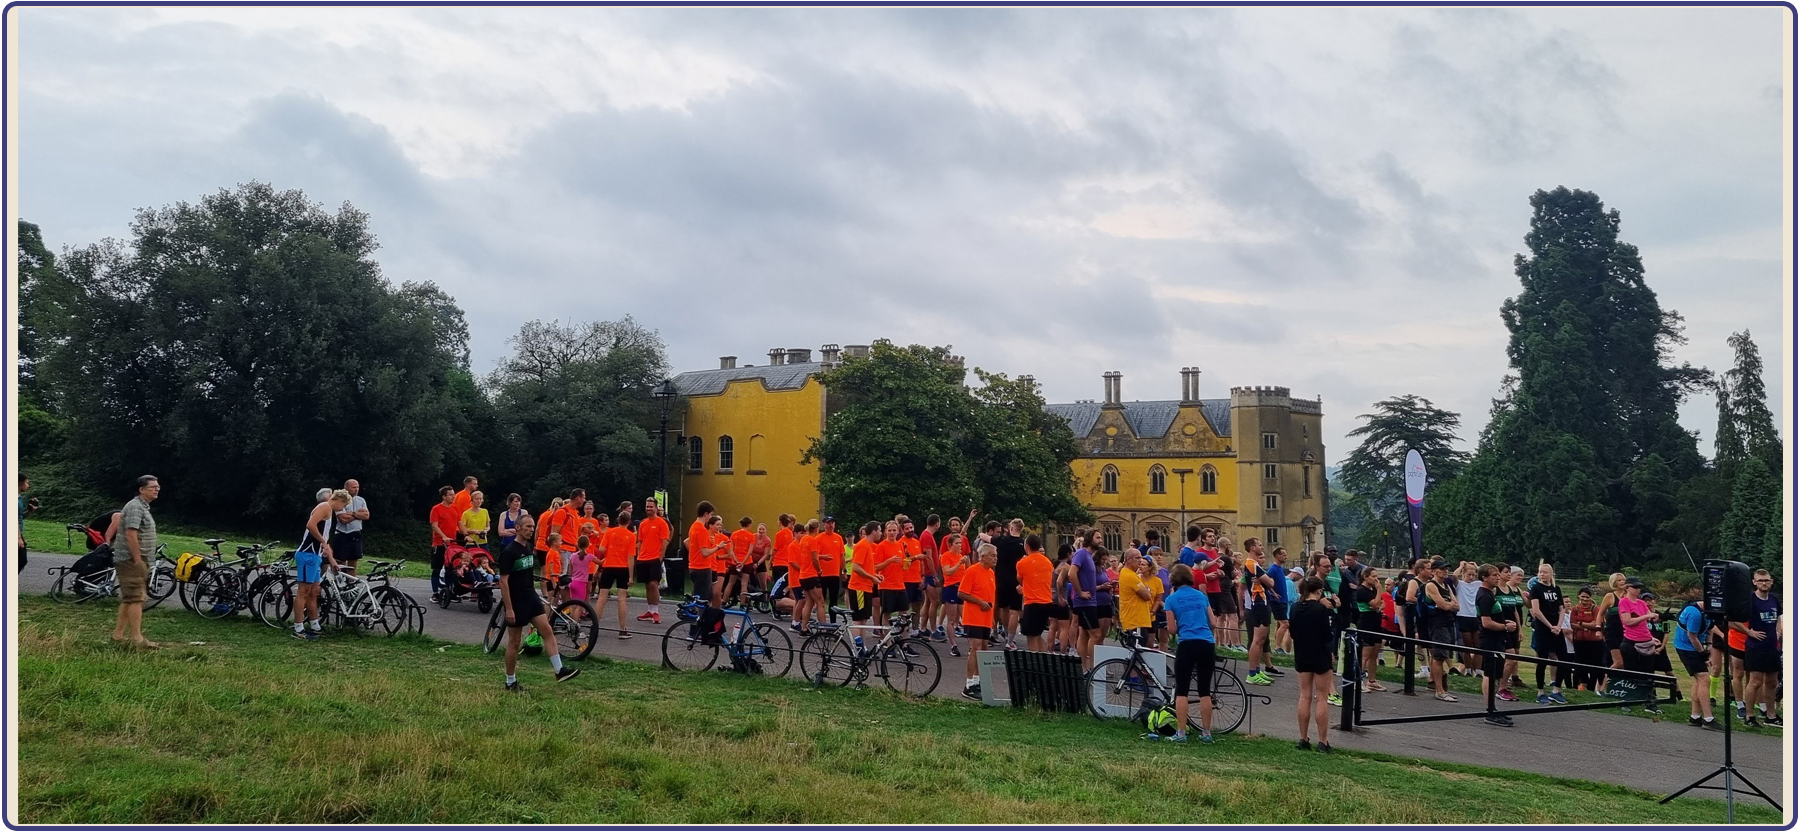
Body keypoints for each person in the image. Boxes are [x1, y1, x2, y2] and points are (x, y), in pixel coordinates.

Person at [496, 514, 581, 690]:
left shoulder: (528, 548)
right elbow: (503, 581)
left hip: (531, 597)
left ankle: (559, 670)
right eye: (527, 526)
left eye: (533, 526)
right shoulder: (509, 552)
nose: (531, 529)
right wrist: (509, 608)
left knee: (547, 630)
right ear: (518, 528)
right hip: (516, 600)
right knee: (515, 641)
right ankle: (510, 681)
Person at [1159, 563, 1218, 744]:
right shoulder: (1201, 596)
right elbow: (1213, 623)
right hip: (1206, 642)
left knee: (1182, 690)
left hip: (1187, 643)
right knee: (1204, 690)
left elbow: (1171, 629)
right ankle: (1206, 732)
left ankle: (1181, 732)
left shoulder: (1172, 600)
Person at [109, 475, 163, 649]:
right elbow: (131, 534)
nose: (157, 489)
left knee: (129, 598)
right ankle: (137, 639)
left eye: (158, 487)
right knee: (136, 599)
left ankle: (117, 635)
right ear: (141, 490)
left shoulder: (143, 507)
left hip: (138, 559)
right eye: (152, 487)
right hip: (130, 560)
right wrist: (137, 560)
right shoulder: (135, 507)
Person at [293, 489, 347, 641]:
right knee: (303, 592)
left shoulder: (328, 512)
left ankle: (315, 625)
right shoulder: (324, 507)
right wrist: (322, 542)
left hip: (315, 556)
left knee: (314, 592)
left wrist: (332, 560)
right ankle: (298, 627)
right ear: (339, 500)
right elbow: (310, 525)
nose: (342, 509)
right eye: (343, 505)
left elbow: (325, 540)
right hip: (307, 555)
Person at [1291, 575, 1335, 751]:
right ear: (1318, 591)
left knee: (1304, 695)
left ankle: (1303, 738)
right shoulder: (1321, 609)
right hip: (1320, 654)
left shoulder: (1294, 608)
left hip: (1302, 652)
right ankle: (1323, 741)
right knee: (1322, 697)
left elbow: (1293, 632)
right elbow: (1327, 634)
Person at [1473, 564, 1517, 725]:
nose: (1498, 578)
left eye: (1498, 575)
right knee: (1489, 674)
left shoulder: (1490, 594)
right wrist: (1505, 626)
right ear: (1484, 577)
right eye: (1494, 575)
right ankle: (1489, 711)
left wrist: (1504, 622)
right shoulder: (1484, 595)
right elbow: (1486, 622)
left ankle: (1493, 708)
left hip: (1497, 639)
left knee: (1494, 673)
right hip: (1490, 639)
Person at [1738, 570, 1782, 727]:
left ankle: (1771, 715)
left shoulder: (1774, 599)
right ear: (1754, 582)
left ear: (1771, 581)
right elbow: (1732, 620)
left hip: (1772, 647)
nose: (1764, 583)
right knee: (1755, 682)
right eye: (1760, 580)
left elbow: (1779, 617)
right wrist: (1749, 632)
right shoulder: (1750, 600)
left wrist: (1778, 631)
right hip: (1755, 647)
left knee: (1772, 681)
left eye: (1767, 580)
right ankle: (1749, 716)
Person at [1617, 576, 1663, 714]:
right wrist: (1646, 616)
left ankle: (1650, 702)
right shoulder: (1624, 602)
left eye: (1639, 587)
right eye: (1635, 587)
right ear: (1628, 588)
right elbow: (1628, 621)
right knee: (1631, 672)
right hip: (1631, 642)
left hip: (1645, 641)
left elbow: (1650, 619)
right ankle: (1627, 700)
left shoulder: (1641, 603)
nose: (1638, 590)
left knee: (1649, 673)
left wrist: (1652, 637)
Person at [959, 543, 999, 699]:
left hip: (986, 617)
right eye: (993, 555)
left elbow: (991, 595)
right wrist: (979, 602)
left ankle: (977, 680)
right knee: (975, 648)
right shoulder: (972, 571)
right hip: (974, 616)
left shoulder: (990, 573)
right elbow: (962, 593)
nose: (996, 558)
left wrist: (993, 617)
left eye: (996, 555)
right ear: (983, 556)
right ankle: (969, 684)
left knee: (984, 647)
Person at [1527, 562, 1570, 704]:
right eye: (1540, 572)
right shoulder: (1536, 588)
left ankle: (1556, 689)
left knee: (1563, 657)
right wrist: (1549, 625)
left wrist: (1558, 625)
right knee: (1542, 659)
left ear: (1551, 574)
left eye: (1545, 572)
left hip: (1556, 628)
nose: (1541, 574)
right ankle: (1540, 692)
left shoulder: (1556, 588)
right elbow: (1536, 610)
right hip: (1543, 628)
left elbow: (1561, 609)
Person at [1673, 596, 1718, 729]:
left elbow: (1710, 628)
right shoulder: (1694, 613)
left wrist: (1709, 645)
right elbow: (1691, 637)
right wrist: (1703, 655)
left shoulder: (1710, 611)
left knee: (1699, 680)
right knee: (1705, 679)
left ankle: (1695, 716)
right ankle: (1709, 719)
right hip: (1686, 647)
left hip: (1696, 646)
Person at [1422, 558, 1460, 702]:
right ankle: (1439, 690)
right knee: (1438, 657)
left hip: (1448, 623)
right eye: (1442, 569)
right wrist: (1448, 605)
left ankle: (1441, 688)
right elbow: (1444, 606)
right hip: (1437, 625)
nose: (1446, 571)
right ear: (1434, 571)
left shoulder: (1446, 586)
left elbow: (1457, 606)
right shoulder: (1431, 585)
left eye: (1446, 568)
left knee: (1444, 656)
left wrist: (1448, 605)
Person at [1241, 538, 1276, 685]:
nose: (1262, 547)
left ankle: (1256, 669)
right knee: (1257, 639)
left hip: (1262, 602)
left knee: (1261, 640)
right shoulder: (1251, 564)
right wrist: (1265, 580)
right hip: (1259, 603)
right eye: (1260, 545)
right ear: (1252, 548)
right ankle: (1252, 673)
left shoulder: (1254, 565)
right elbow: (1271, 582)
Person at [1015, 534, 1055, 652]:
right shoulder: (1047, 562)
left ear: (1027, 546)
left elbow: (1020, 580)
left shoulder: (1022, 563)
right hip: (1047, 601)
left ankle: (1035, 663)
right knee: (1037, 634)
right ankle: (1046, 658)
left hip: (1033, 603)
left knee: (1031, 636)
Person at [635, 497, 672, 624]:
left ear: (656, 508)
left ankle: (655, 611)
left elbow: (664, 543)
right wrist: (639, 556)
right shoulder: (643, 523)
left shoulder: (662, 523)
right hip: (643, 558)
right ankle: (649, 610)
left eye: (651, 506)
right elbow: (639, 542)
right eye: (647, 506)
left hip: (655, 558)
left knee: (653, 584)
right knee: (647, 585)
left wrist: (660, 559)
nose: (649, 509)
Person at [991, 520, 1026, 649]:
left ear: (1011, 528)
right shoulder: (1023, 544)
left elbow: (986, 537)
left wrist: (981, 535)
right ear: (1021, 529)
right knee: (1014, 611)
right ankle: (1010, 641)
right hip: (1016, 581)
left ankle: (1005, 634)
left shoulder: (1002, 541)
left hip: (1001, 579)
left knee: (1003, 608)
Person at [1070, 533, 1102, 668]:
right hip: (1084, 602)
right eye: (1098, 537)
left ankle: (1083, 668)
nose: (1101, 540)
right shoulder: (1081, 554)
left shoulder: (1089, 556)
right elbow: (1071, 573)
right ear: (1090, 539)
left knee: (1084, 634)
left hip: (1091, 601)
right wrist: (1080, 592)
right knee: (1096, 635)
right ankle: (1092, 667)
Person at [1353, 566, 1386, 693]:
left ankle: (1372, 681)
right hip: (1366, 623)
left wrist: (1377, 605)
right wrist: (1379, 591)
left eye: (1377, 576)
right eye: (1373, 576)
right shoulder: (1362, 590)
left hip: (1376, 623)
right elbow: (1376, 603)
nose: (1376, 579)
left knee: (1374, 654)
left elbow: (1382, 604)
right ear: (1365, 577)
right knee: (1365, 654)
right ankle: (1358, 680)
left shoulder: (1372, 589)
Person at [1568, 587, 1606, 691]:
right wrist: (1587, 626)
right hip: (1579, 641)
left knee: (1596, 665)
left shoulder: (1595, 608)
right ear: (1578, 596)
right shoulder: (1575, 609)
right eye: (1583, 596)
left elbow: (1597, 624)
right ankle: (1577, 687)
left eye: (1587, 597)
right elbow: (1572, 625)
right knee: (1579, 663)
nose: (1585, 599)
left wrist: (1581, 624)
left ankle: (1595, 688)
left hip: (1595, 642)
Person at [846, 521, 882, 629]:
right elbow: (856, 567)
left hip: (865, 587)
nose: (881, 533)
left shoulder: (869, 546)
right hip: (859, 588)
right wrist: (871, 577)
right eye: (880, 530)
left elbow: (865, 567)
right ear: (874, 532)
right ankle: (857, 646)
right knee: (858, 620)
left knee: (863, 620)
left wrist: (875, 575)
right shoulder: (863, 546)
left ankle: (862, 645)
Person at [1118, 548, 1157, 645]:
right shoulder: (1130, 575)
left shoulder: (1129, 573)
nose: (1140, 560)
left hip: (1136, 620)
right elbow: (1147, 595)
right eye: (1137, 557)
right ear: (1129, 559)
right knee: (1137, 652)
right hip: (1135, 621)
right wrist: (1147, 589)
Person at [938, 531, 968, 657]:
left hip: (961, 588)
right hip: (950, 587)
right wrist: (959, 563)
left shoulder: (961, 555)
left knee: (966, 617)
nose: (960, 545)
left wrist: (967, 562)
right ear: (950, 544)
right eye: (957, 543)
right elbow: (948, 572)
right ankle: (953, 645)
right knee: (951, 619)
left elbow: (967, 572)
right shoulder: (946, 556)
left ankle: (972, 644)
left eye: (960, 543)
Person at [427, 486, 460, 600]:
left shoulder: (455, 508)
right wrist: (444, 537)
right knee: (437, 568)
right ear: (444, 496)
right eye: (450, 495)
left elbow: (459, 523)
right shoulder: (436, 509)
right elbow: (434, 526)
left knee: (450, 569)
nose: (453, 496)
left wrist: (466, 535)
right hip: (439, 543)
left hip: (452, 544)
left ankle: (449, 592)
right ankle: (435, 593)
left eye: (453, 494)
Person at [686, 501, 721, 606]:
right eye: (710, 514)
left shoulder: (693, 526)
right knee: (703, 600)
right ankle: (700, 620)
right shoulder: (701, 529)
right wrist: (718, 547)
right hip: (702, 567)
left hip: (695, 566)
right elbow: (705, 552)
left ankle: (701, 619)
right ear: (706, 514)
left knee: (703, 597)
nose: (710, 517)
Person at [875, 520, 909, 627]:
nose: (892, 533)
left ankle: (904, 641)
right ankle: (886, 641)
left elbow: (903, 564)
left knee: (904, 613)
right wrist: (889, 561)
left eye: (894, 530)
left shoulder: (900, 545)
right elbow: (876, 566)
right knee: (887, 614)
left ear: (898, 531)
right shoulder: (881, 546)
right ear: (885, 531)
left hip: (899, 584)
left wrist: (907, 563)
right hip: (886, 585)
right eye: (889, 530)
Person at [1598, 572, 1627, 694]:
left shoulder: (1628, 596)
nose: (1622, 582)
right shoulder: (1610, 596)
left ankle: (1618, 688)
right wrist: (1598, 629)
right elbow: (1600, 613)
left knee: (1625, 663)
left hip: (1626, 633)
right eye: (1620, 580)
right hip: (1612, 632)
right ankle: (1602, 687)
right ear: (1614, 582)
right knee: (1618, 662)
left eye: (1623, 580)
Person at [813, 517, 846, 614]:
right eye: (828, 523)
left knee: (834, 601)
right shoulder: (818, 538)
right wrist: (823, 557)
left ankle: (833, 622)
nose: (830, 525)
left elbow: (842, 556)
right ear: (824, 525)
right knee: (821, 600)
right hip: (822, 573)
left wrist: (844, 571)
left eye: (832, 523)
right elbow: (814, 556)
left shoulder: (838, 538)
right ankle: (822, 622)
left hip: (834, 573)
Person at [566, 538, 595, 611]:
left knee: (573, 604)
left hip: (572, 581)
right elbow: (601, 563)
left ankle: (572, 620)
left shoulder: (573, 555)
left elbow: (570, 569)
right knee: (579, 605)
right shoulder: (589, 556)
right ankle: (576, 621)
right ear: (588, 545)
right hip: (581, 583)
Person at [17, 473, 37, 573]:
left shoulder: (19, 498)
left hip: (18, 531)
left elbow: (19, 517)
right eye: (26, 483)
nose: (28, 485)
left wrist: (30, 511)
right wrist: (19, 538)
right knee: (21, 560)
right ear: (20, 483)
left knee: (20, 560)